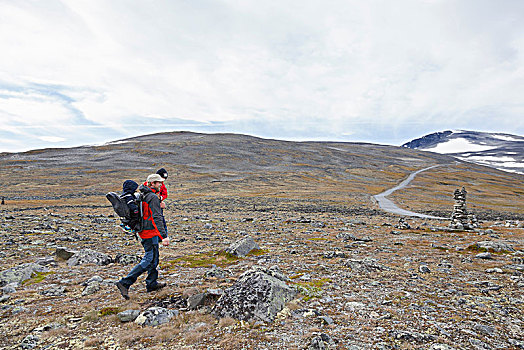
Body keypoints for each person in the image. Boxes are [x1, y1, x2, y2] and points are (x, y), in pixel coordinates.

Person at [116, 174, 170, 300]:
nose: (160, 185)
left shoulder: (144, 194)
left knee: (154, 258)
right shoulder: (152, 197)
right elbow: (156, 217)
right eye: (158, 183)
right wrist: (164, 236)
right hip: (149, 233)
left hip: (146, 232)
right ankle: (125, 282)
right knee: (148, 260)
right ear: (152, 184)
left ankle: (151, 283)